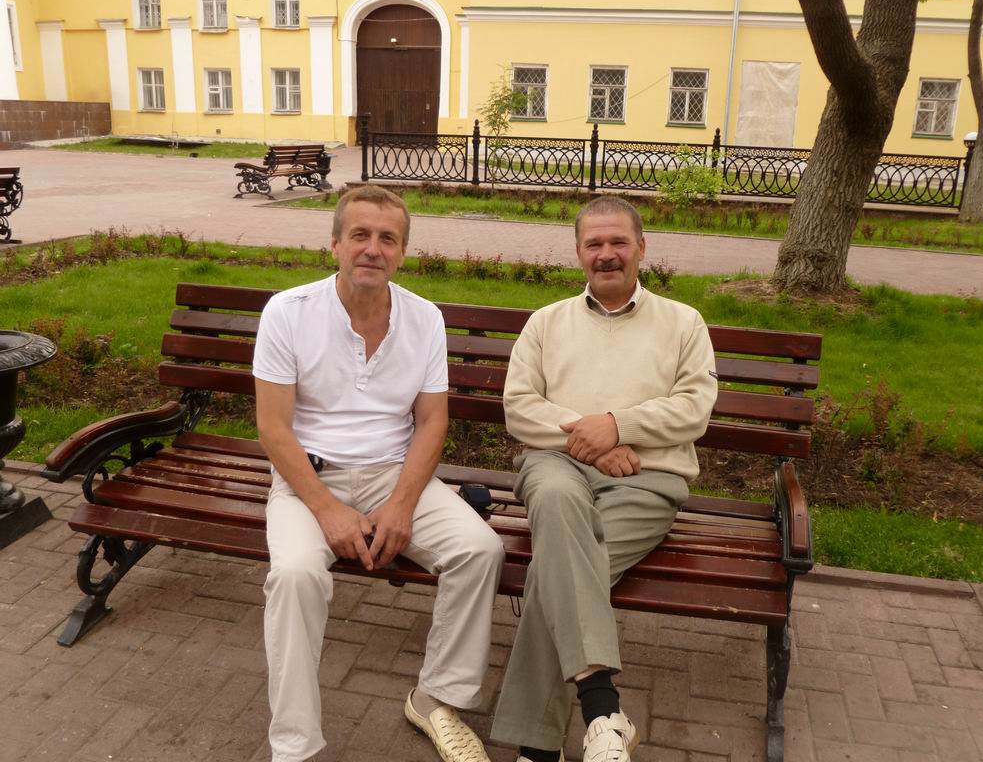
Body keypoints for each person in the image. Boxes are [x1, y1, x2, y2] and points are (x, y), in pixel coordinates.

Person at [253, 185, 504, 762]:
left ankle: (437, 699)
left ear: (403, 252)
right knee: (294, 576)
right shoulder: (288, 312)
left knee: (479, 550)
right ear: (334, 244)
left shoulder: (424, 318)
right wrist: (327, 510)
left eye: (388, 238)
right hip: (308, 480)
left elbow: (432, 421)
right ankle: (294, 746)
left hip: (394, 474)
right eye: (360, 235)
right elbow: (273, 428)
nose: (373, 248)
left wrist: (401, 505)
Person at [490, 196, 719, 762]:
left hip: (646, 480)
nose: (606, 254)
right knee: (557, 507)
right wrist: (592, 442)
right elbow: (519, 407)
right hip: (557, 466)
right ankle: (602, 712)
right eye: (594, 244)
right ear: (578, 253)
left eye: (618, 242)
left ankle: (538, 748)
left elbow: (694, 407)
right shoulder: (546, 322)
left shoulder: (683, 322)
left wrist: (618, 426)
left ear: (642, 248)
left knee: (555, 570)